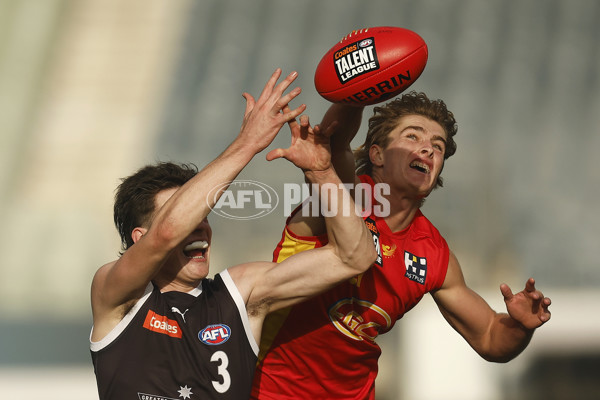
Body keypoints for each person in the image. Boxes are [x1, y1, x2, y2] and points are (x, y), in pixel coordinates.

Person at [89, 69, 377, 400]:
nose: (200, 224)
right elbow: (166, 233)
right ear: (139, 238)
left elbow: (355, 257)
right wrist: (247, 143)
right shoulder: (115, 294)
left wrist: (322, 173)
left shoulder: (239, 295)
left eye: (203, 215)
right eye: (188, 216)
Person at [251, 92, 552, 399]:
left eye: (438, 146)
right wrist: (362, 87)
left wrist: (521, 327)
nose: (428, 149)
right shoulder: (345, 194)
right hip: (268, 390)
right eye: (412, 136)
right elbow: (335, 140)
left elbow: (489, 337)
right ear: (377, 154)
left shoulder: (434, 255)